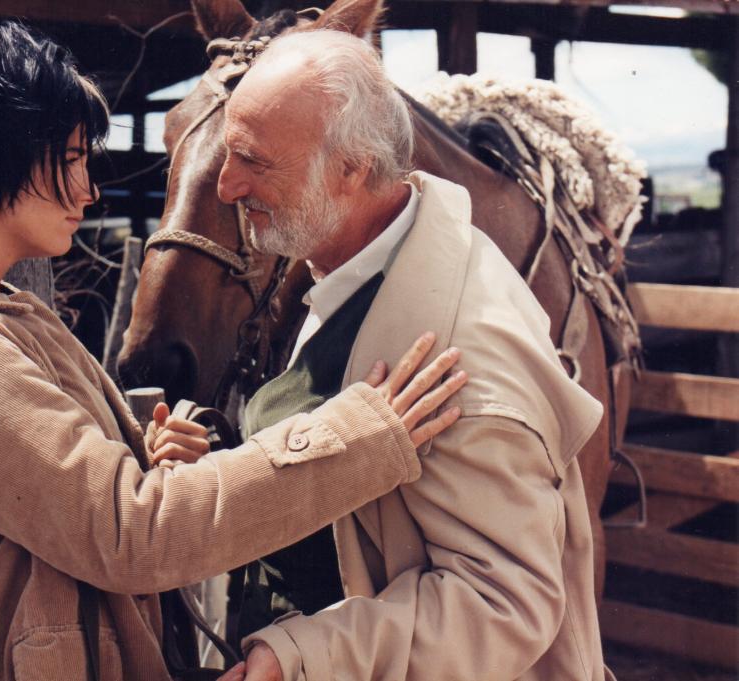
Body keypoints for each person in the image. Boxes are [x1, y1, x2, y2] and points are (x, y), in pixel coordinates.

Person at [0, 15, 468, 681]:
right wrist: (359, 435)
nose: (90, 191)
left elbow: (44, 517)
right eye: (68, 161)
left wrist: (139, 460)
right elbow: (131, 535)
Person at [213, 30, 607, 681]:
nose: (228, 185)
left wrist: (305, 656)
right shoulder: (360, 272)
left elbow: (504, 603)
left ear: (353, 168)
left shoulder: (463, 356)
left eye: (255, 161)